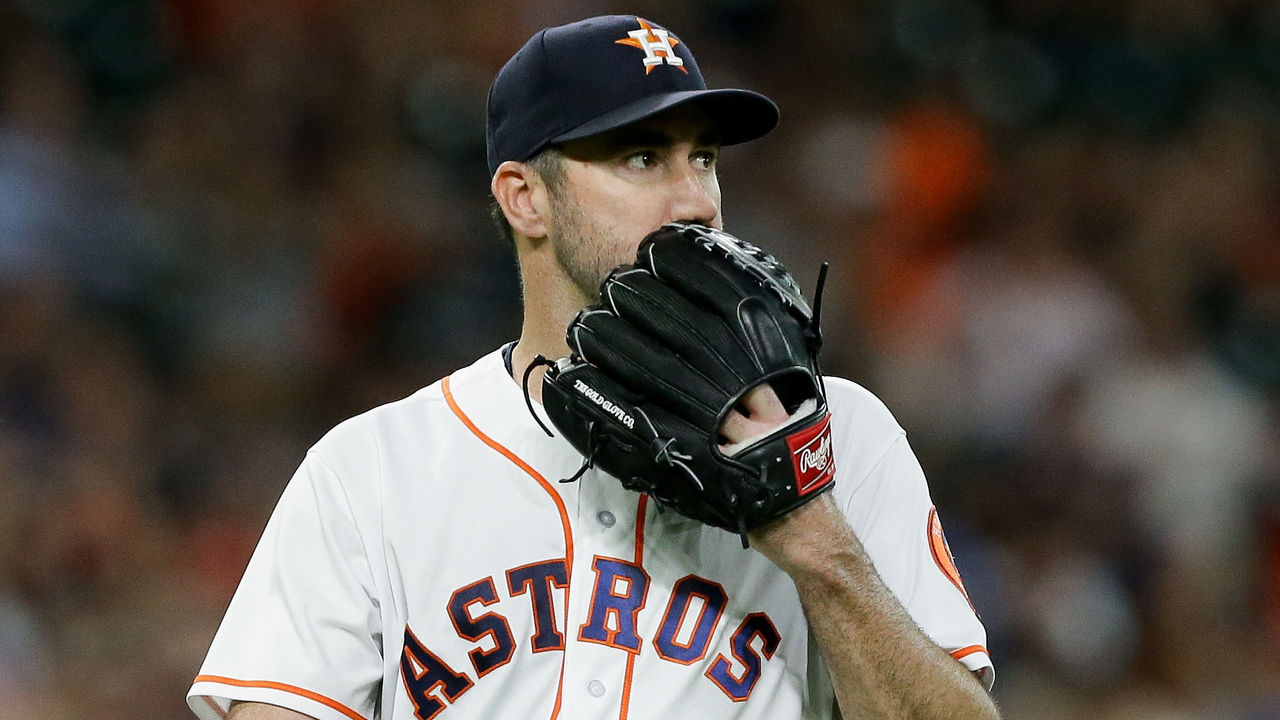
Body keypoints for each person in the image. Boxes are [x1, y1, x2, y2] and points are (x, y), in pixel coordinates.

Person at [187, 15, 999, 720]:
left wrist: (817, 542)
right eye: (643, 159)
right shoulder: (372, 472)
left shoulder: (839, 436)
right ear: (524, 197)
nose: (695, 201)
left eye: (705, 159)